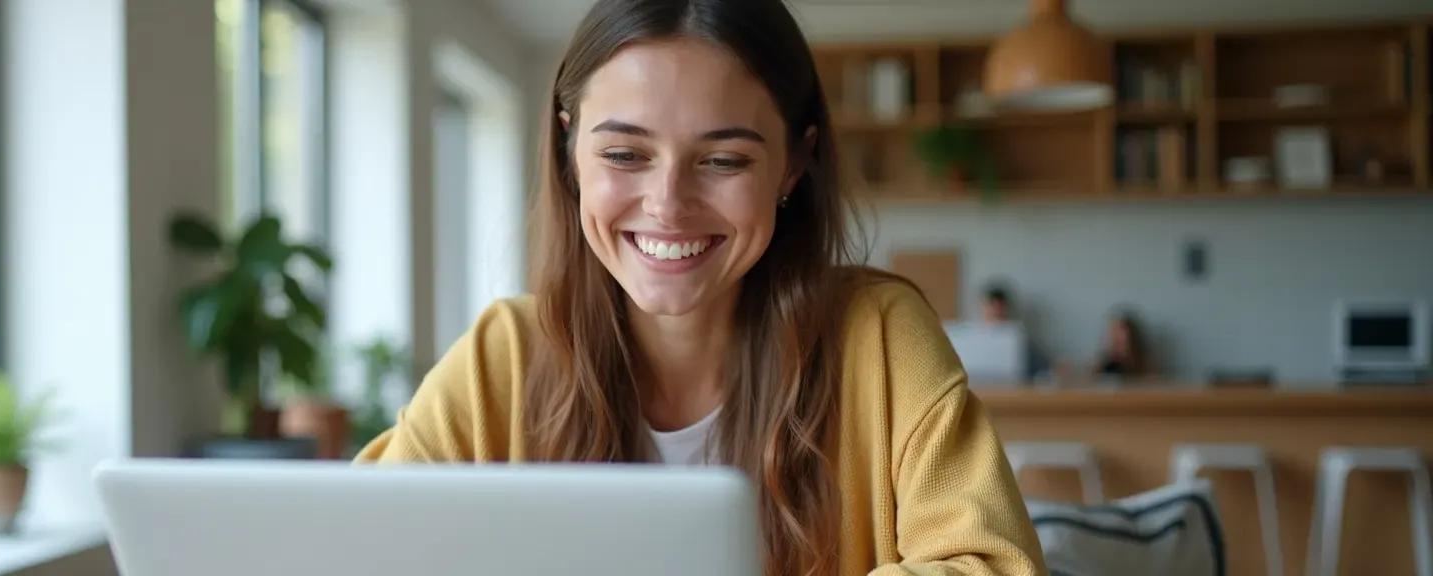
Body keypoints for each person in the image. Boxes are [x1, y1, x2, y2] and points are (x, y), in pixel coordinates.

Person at [357, 0, 1045, 574]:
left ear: (793, 166)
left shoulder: (879, 336)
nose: (667, 205)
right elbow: (351, 547)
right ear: (569, 151)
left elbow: (992, 564)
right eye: (624, 154)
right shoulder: (500, 357)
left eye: (722, 160)